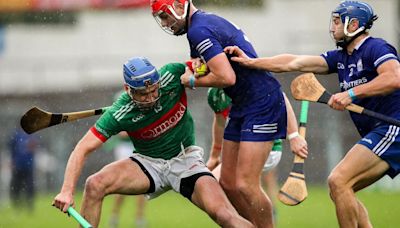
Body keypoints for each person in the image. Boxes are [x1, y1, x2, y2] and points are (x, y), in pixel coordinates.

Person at [224, 1, 400, 227]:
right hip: (379, 131)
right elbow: (294, 62)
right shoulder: (341, 58)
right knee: (343, 189)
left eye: (338, 21)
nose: (332, 27)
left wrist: (351, 94)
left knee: (339, 181)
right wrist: (252, 62)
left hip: (393, 128)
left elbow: (394, 77)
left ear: (354, 24)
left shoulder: (376, 48)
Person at [151, 1, 308, 227]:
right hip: (242, 104)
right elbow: (219, 66)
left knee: (245, 184)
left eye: (165, 16)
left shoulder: (198, 29)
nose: (165, 23)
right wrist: (195, 68)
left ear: (178, 5)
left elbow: (227, 77)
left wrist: (192, 81)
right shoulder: (202, 23)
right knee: (227, 182)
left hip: (261, 103)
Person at [52, 57, 253, 228]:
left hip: (186, 161)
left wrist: (198, 71)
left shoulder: (172, 74)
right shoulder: (119, 113)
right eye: (142, 94)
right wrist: (67, 191)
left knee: (225, 216)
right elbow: (82, 148)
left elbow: (210, 65)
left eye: (153, 91)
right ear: (128, 89)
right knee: (94, 184)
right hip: (148, 163)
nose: (150, 98)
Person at [206, 88, 307, 222]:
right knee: (231, 185)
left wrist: (293, 135)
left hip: (265, 146)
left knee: (228, 183)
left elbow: (280, 97)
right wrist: (215, 154)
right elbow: (219, 121)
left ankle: (259, 220)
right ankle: (251, 221)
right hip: (240, 147)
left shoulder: (245, 77)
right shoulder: (214, 93)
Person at [106, 130, 147, 228]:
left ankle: (139, 218)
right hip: (124, 149)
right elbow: (122, 133)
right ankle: (114, 216)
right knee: (121, 187)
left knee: (142, 185)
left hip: (138, 147)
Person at [9, 127, 39, 210]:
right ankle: (17, 204)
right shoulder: (16, 135)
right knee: (16, 186)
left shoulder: (32, 135)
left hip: (28, 166)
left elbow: (34, 147)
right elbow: (12, 149)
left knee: (29, 187)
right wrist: (13, 161)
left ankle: (30, 205)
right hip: (18, 165)